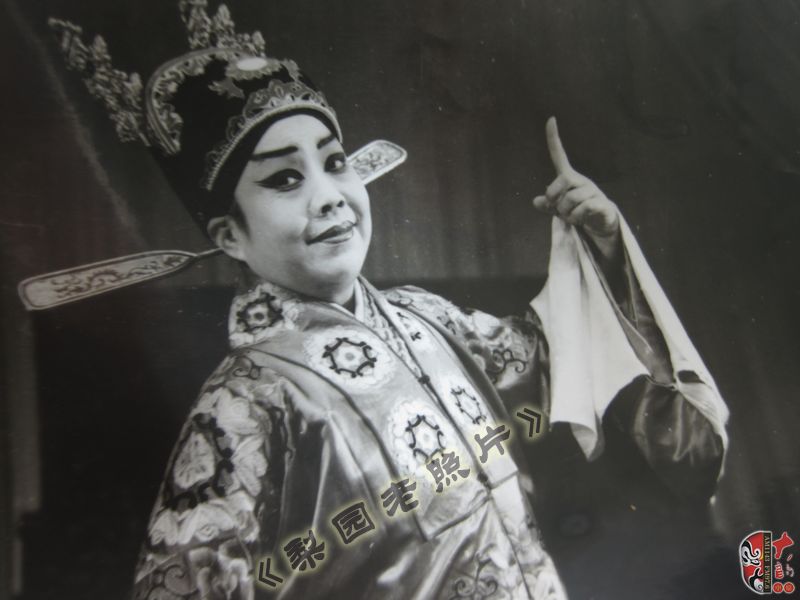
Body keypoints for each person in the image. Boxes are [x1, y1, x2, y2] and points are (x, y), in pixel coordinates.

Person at [45, 2, 729, 598]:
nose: (329, 197)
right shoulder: (245, 402)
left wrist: (602, 244)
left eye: (334, 162)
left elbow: (563, 359)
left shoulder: (428, 317)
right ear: (230, 235)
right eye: (284, 179)